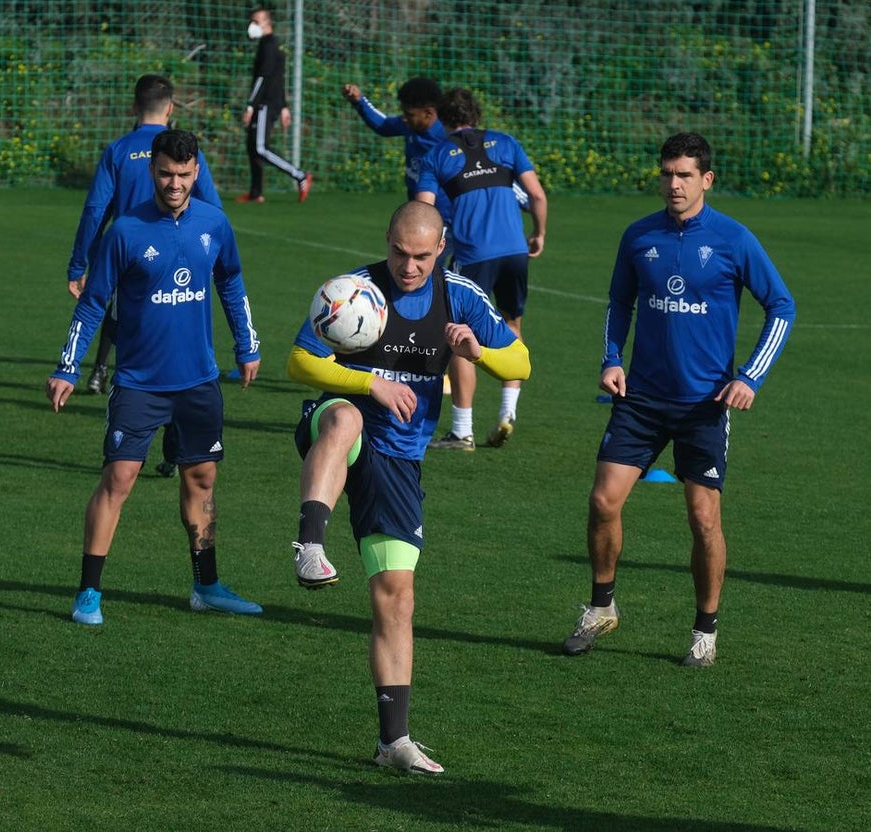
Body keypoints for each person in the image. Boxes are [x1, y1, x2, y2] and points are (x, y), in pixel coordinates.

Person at [288, 202, 530, 774]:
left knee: (396, 597)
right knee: (344, 419)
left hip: (398, 460)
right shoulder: (350, 290)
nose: (409, 265)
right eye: (399, 251)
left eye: (422, 255)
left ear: (441, 246)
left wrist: (479, 351)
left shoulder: (461, 295)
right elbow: (300, 362)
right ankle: (310, 544)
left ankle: (392, 742)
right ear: (387, 239)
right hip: (339, 422)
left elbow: (522, 360)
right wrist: (368, 383)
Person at [562, 132, 796, 668]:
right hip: (641, 397)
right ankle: (601, 608)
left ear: (706, 179)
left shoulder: (735, 240)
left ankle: (704, 631)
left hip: (705, 404)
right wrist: (611, 359)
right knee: (602, 502)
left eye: (685, 175)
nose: (673, 183)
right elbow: (620, 300)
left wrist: (750, 378)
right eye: (667, 173)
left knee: (703, 519)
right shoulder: (639, 235)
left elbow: (781, 306)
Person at [47, 129, 263, 626]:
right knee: (118, 478)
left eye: (184, 175)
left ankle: (206, 585)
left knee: (201, 478)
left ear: (197, 172)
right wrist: (68, 365)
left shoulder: (215, 222)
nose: (174, 183)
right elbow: (94, 302)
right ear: (151, 170)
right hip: (139, 382)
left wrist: (246, 343)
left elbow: (230, 281)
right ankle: (88, 592)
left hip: (198, 381)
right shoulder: (125, 230)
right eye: (165, 173)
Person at [67, 73, 222, 398]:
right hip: (181, 248)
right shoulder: (186, 153)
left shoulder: (118, 150)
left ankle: (102, 371)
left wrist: (79, 264)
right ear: (171, 107)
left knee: (119, 306)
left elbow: (95, 210)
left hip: (128, 249)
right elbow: (213, 207)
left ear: (135, 106)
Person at [415, 87, 547, 451]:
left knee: (459, 334)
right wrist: (538, 233)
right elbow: (536, 195)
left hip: (473, 256)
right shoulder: (506, 143)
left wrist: (424, 252)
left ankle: (462, 430)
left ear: (443, 120)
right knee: (512, 325)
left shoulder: (437, 153)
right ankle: (508, 413)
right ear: (477, 114)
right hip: (515, 251)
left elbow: (424, 208)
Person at [341, 78, 452, 226]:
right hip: (417, 212)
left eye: (410, 114)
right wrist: (359, 101)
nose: (404, 119)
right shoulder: (410, 125)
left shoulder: (447, 137)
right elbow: (383, 125)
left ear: (429, 113)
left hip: (446, 219)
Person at [237, 7, 311, 204]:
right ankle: (255, 193)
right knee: (252, 147)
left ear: (267, 23)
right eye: (251, 21)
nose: (252, 26)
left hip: (265, 105)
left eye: (256, 21)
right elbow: (278, 78)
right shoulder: (268, 44)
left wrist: (251, 106)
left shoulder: (269, 46)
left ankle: (300, 176)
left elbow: (263, 79)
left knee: (260, 148)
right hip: (270, 103)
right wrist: (285, 106)